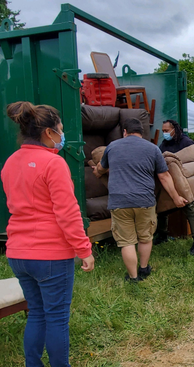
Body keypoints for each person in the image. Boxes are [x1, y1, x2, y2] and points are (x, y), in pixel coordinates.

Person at [1, 101, 95, 367]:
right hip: (50, 255)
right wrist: (84, 249)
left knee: (37, 314)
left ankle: (33, 363)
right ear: (48, 133)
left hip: (18, 252)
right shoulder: (53, 164)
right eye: (61, 129)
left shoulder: (10, 162)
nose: (62, 135)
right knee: (56, 318)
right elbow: (67, 212)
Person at [93, 118, 186, 281]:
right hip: (145, 201)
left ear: (124, 132)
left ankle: (133, 277)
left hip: (119, 202)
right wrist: (176, 197)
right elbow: (164, 176)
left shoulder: (112, 147)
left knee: (127, 242)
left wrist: (97, 172)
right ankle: (144, 269)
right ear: (142, 133)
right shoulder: (153, 149)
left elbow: (101, 168)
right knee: (145, 238)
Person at [155, 119, 194, 256]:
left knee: (190, 209)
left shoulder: (186, 143)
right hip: (169, 183)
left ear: (174, 130)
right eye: (163, 131)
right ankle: (162, 235)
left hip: (185, 183)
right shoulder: (164, 144)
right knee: (162, 209)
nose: (164, 133)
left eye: (166, 130)